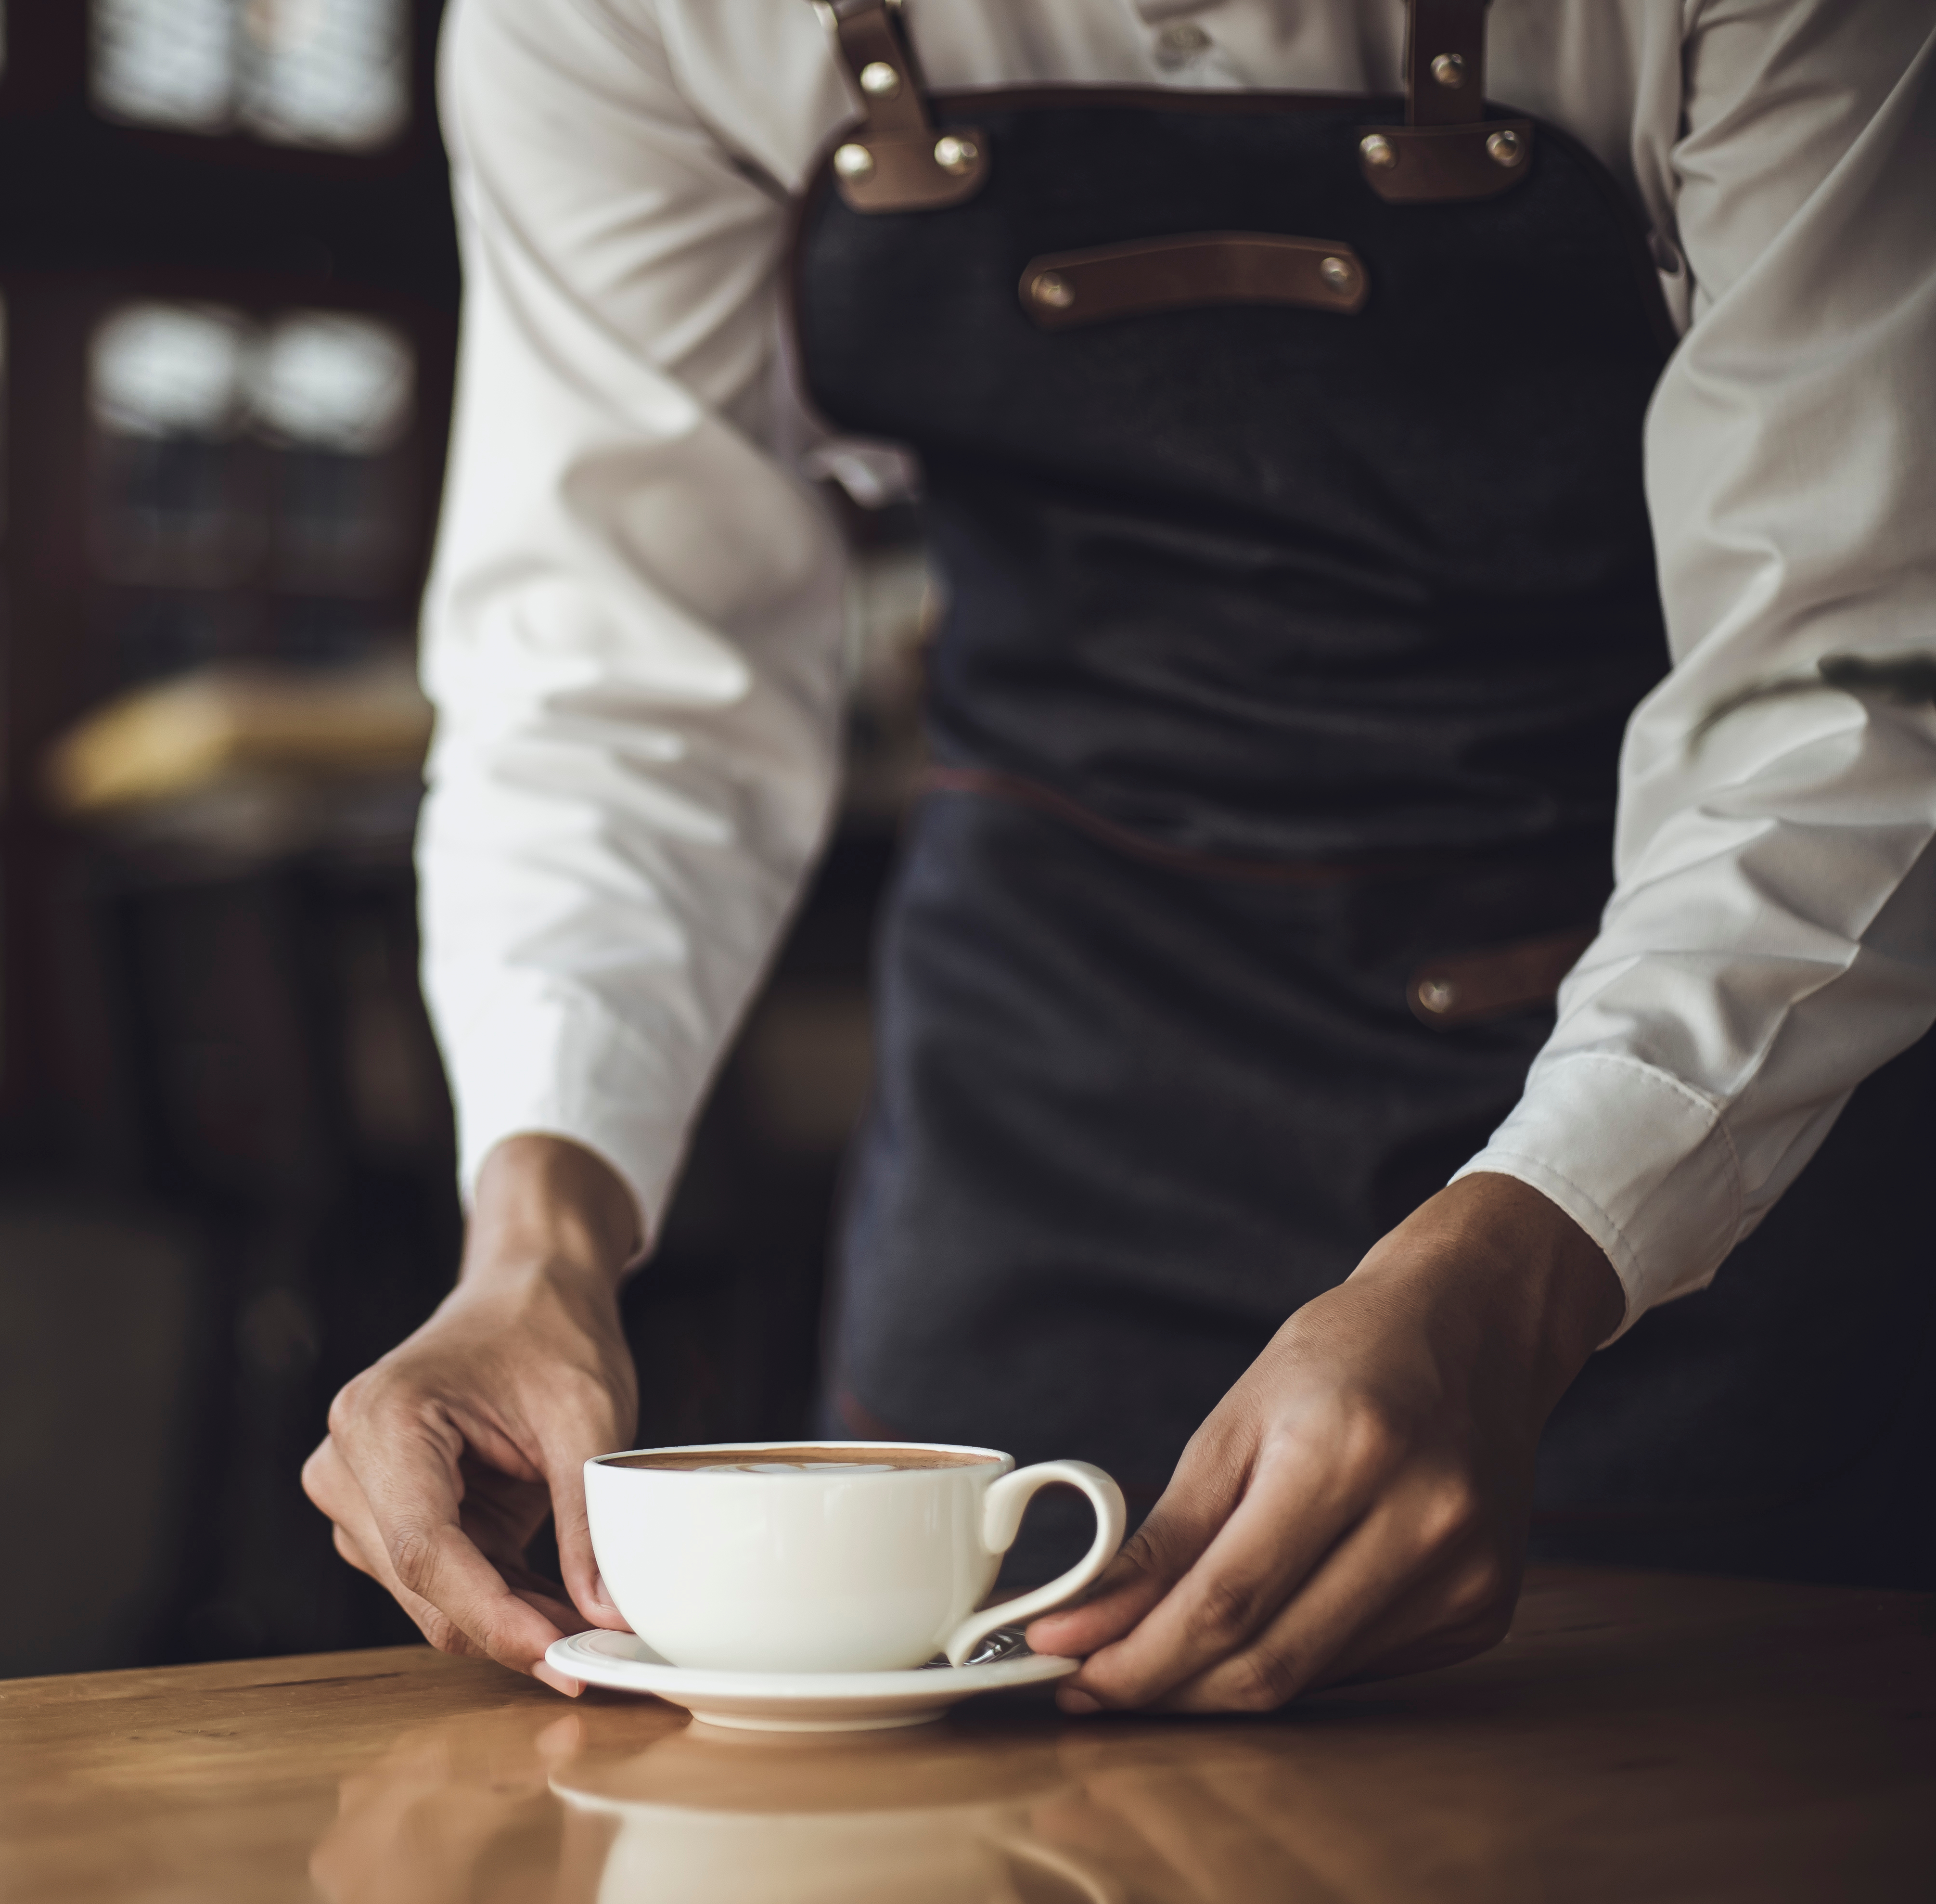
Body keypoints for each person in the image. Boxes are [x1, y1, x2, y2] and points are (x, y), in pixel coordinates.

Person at [304, 0, 1936, 1713]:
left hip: (1710, 1107)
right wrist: (532, 1251)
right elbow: (614, 679)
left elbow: (1853, 681)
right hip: (1050, 1087)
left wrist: (1530, 1262)